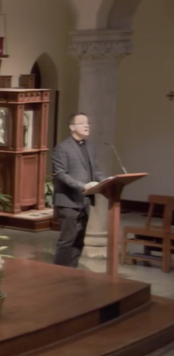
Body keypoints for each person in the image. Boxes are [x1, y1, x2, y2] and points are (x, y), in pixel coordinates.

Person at [52, 112, 106, 268]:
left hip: (85, 200)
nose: (86, 125)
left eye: (87, 123)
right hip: (68, 201)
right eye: (82, 123)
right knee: (67, 239)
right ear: (72, 127)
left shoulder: (89, 147)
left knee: (79, 239)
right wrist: (82, 186)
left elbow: (95, 170)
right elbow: (61, 174)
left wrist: (107, 182)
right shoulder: (62, 148)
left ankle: (72, 270)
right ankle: (59, 272)